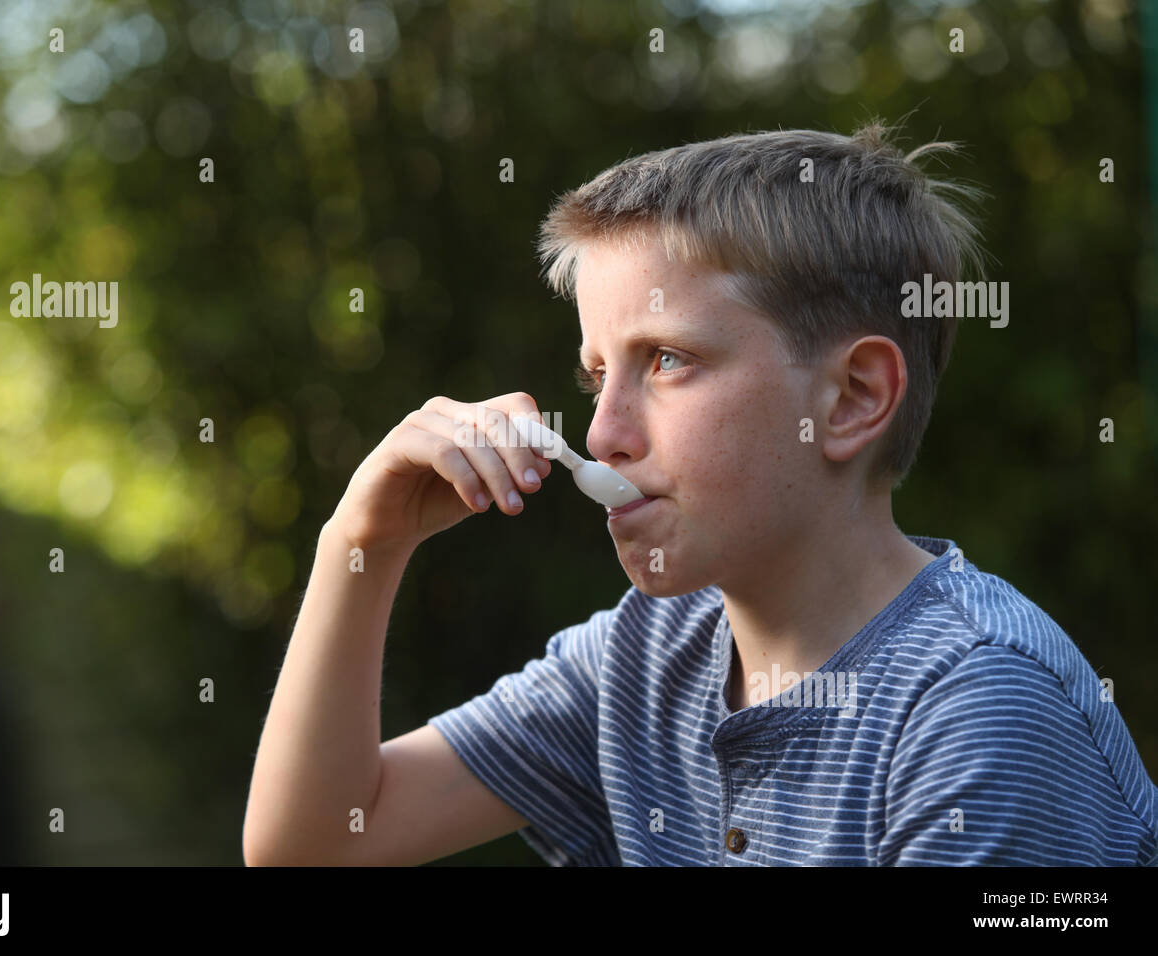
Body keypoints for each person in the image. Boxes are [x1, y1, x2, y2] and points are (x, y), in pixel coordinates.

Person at [242, 122, 1158, 866]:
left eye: (669, 360)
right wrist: (362, 541)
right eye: (598, 374)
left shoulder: (981, 713)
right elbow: (316, 842)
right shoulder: (644, 660)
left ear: (851, 400)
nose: (602, 433)